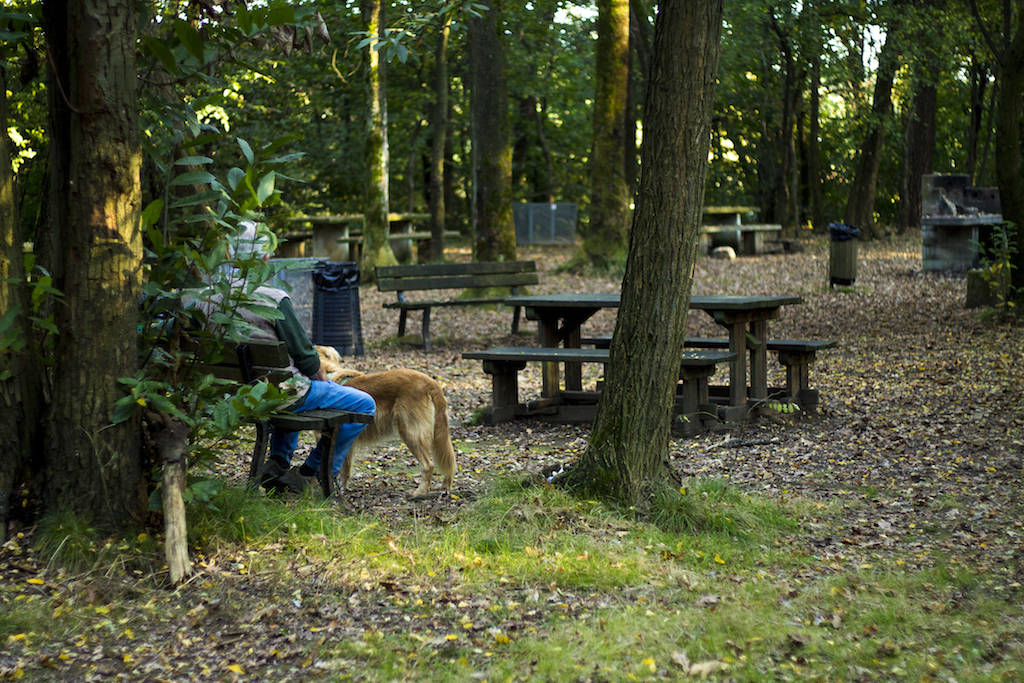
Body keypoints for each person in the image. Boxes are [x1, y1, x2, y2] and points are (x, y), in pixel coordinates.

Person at [222, 222, 375, 495]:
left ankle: (278, 464)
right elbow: (306, 356)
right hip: (278, 394)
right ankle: (312, 472)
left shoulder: (211, 298)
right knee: (364, 404)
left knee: (287, 385)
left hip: (236, 395)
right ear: (265, 258)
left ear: (230, 255)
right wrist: (323, 379)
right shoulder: (272, 298)